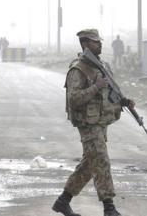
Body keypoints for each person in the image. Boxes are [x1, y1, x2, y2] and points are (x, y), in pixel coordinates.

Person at [52, 29, 135, 216]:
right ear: (85, 44)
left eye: (99, 41)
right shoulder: (78, 69)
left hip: (101, 121)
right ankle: (109, 207)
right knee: (101, 160)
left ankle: (63, 201)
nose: (100, 44)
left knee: (90, 164)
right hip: (87, 123)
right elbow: (73, 99)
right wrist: (95, 87)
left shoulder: (102, 65)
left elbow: (111, 92)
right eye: (96, 42)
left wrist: (124, 101)